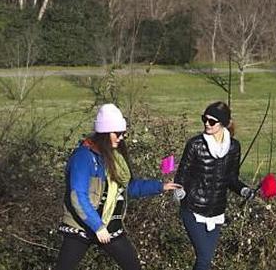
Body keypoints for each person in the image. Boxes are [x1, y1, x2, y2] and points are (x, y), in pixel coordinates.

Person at [57, 103, 182, 270]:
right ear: (104, 133)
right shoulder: (83, 157)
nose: (121, 137)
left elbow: (128, 188)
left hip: (111, 225)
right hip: (82, 227)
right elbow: (78, 196)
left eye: (123, 133)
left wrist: (160, 186)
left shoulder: (115, 158)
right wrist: (97, 226)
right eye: (118, 133)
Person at [173, 101, 255, 270]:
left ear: (223, 123)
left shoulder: (234, 147)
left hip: (217, 212)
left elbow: (231, 178)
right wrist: (179, 189)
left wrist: (244, 190)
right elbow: (182, 173)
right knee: (203, 258)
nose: (206, 124)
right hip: (193, 208)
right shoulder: (195, 144)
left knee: (205, 261)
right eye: (204, 119)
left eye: (212, 121)